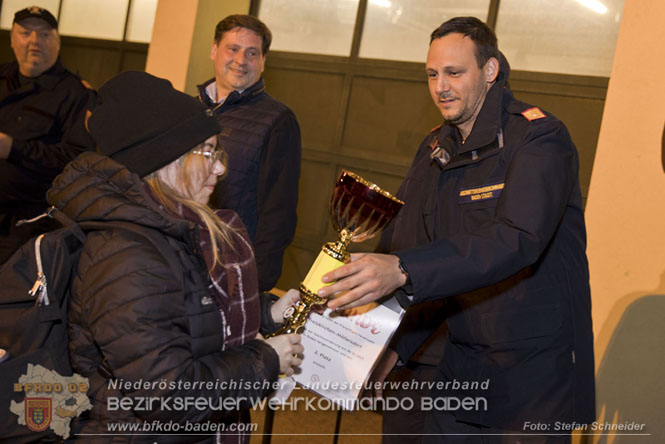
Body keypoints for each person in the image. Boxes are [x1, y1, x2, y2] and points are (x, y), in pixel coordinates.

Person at [319, 17, 595, 443]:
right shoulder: (434, 146)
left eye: (454, 73)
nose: (440, 86)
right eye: (432, 74)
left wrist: (403, 268)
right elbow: (409, 245)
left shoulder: (540, 138)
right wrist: (388, 345)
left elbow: (516, 238)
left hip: (525, 371)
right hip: (455, 358)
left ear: (489, 71)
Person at [46, 71, 303, 442]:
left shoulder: (163, 229)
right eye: (209, 152)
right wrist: (264, 359)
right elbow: (169, 397)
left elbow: (185, 318)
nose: (221, 167)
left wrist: (265, 313)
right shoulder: (127, 254)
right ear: (164, 160)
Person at [198, 14, 301, 292]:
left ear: (263, 61)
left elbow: (278, 216)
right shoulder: (188, 110)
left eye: (252, 53)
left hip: (231, 273)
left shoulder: (278, 121)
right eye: (233, 48)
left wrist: (256, 284)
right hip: (181, 260)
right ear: (213, 50)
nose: (241, 60)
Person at [0, 6, 95, 263]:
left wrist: (13, 148)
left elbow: (76, 159)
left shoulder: (75, 93)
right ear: (12, 38)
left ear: (57, 41)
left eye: (44, 35)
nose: (34, 41)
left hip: (28, 226)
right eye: (26, 33)